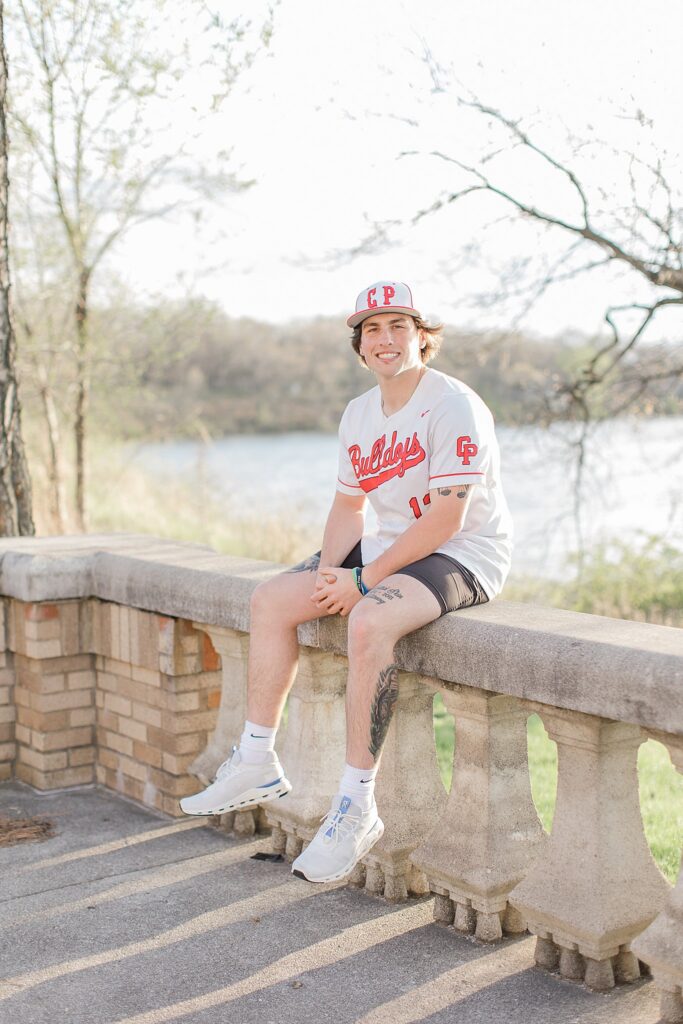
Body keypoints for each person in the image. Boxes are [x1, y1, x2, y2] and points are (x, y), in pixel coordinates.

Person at [180, 280, 513, 884]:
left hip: (463, 552)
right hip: (391, 546)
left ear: (421, 336)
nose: (385, 339)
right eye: (372, 329)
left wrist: (363, 582)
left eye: (398, 326)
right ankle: (255, 758)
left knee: (368, 619)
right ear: (360, 346)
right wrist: (331, 575)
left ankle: (357, 807)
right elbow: (348, 507)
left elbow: (448, 517)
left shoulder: (453, 404)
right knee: (271, 600)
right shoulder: (359, 413)